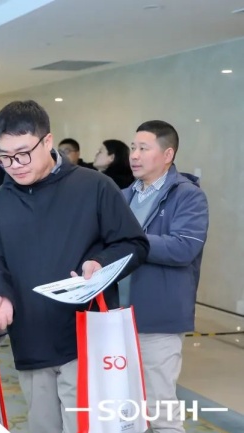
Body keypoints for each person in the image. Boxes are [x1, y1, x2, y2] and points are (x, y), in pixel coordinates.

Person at [0, 100, 149, 433]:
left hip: (86, 339)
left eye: (23, 154)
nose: (14, 165)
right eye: (5, 157)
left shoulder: (93, 186)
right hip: (31, 338)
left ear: (48, 141)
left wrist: (101, 263)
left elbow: (134, 244)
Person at [123, 120, 209, 433]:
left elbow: (184, 247)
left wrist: (131, 242)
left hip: (158, 318)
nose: (134, 155)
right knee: (126, 409)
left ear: (167, 154)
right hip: (118, 316)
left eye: (143, 148)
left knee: (160, 410)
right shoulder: (124, 195)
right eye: (133, 147)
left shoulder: (188, 196)